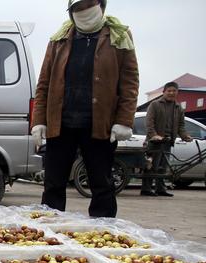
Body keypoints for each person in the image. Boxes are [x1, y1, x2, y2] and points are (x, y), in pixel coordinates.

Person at [31, 0, 139, 218]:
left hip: (99, 124)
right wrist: (39, 120)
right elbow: (44, 83)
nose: (84, 11)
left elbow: (129, 82)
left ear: (101, 5)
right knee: (53, 182)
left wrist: (124, 120)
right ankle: (50, 228)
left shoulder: (119, 36)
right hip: (61, 123)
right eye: (78, 8)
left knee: (101, 182)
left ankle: (103, 230)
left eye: (89, 5)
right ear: (71, 12)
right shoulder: (58, 39)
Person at [141, 81, 192, 197]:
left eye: (174, 91)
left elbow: (181, 126)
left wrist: (185, 136)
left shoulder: (178, 107)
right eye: (169, 91)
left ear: (177, 92)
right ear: (164, 92)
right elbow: (149, 123)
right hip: (154, 142)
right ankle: (146, 189)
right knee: (151, 166)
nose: (171, 93)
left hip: (168, 141)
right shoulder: (155, 104)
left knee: (163, 167)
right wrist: (154, 135)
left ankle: (160, 189)